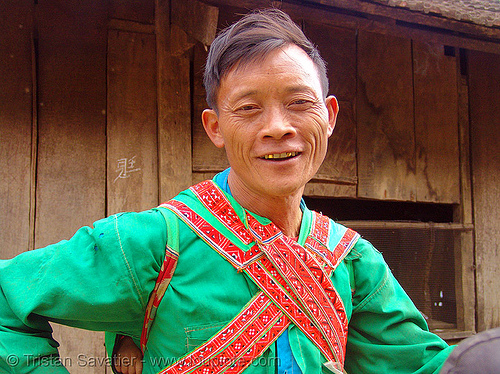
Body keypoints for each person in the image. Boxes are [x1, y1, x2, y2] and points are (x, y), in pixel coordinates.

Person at [0, 8, 454, 374]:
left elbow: (420, 365)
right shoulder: (156, 245)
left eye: (299, 103)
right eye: (249, 108)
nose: (277, 128)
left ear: (330, 116)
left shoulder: (353, 262)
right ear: (215, 127)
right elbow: (7, 296)